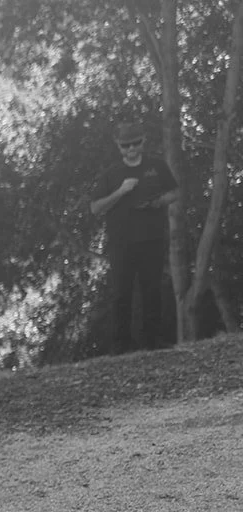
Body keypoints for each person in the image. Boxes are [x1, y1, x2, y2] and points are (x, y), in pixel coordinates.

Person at [90, 121, 178, 353]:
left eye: (135, 143)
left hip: (152, 239)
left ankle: (153, 342)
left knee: (152, 291)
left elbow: (176, 192)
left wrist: (159, 202)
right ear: (118, 147)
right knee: (121, 294)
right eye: (126, 145)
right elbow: (95, 208)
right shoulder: (111, 174)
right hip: (121, 243)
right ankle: (121, 347)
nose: (131, 149)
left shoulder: (157, 166)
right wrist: (121, 191)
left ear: (143, 141)